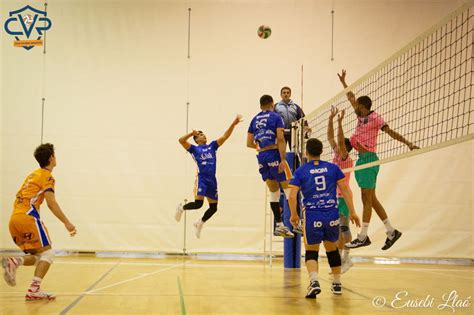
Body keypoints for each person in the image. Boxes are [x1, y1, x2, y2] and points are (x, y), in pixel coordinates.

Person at [337, 69, 419, 250]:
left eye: (357, 106)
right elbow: (351, 97)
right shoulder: (361, 115)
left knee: (366, 199)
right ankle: (391, 231)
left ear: (364, 107)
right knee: (372, 200)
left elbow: (390, 132)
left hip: (369, 160)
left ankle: (363, 236)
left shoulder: (375, 118)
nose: (355, 107)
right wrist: (344, 82)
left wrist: (408, 143)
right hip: (362, 161)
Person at [2, 143, 76, 301]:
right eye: (55, 155)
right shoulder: (47, 176)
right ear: (51, 158)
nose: (56, 158)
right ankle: (34, 289)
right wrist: (67, 223)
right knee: (48, 253)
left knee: (38, 256)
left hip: (14, 219)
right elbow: (51, 203)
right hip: (28, 217)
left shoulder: (32, 174)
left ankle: (15, 261)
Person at [288, 138, 360, 298]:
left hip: (313, 214)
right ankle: (337, 284)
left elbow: (292, 196)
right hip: (331, 213)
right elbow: (346, 190)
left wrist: (294, 215)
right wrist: (353, 212)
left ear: (306, 153)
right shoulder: (333, 168)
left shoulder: (301, 171)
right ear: (321, 152)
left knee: (311, 250)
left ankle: (314, 282)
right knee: (332, 249)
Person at [175, 115, 242, 238]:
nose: (203, 135)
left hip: (212, 180)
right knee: (198, 204)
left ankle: (199, 222)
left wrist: (234, 123)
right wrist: (191, 133)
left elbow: (225, 136)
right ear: (196, 140)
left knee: (213, 208)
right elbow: (180, 140)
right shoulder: (194, 149)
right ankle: (181, 207)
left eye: (204, 134)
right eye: (200, 135)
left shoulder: (212, 146)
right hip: (202, 179)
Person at [247, 94, 299, 238]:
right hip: (274, 154)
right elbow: (281, 139)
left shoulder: (254, 119)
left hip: (261, 157)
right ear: (272, 104)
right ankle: (295, 221)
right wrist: (282, 158)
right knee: (289, 188)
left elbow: (249, 143)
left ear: (260, 105)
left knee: (274, 192)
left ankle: (279, 225)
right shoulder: (276, 117)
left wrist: (262, 148)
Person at [327, 107, 354, 273]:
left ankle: (347, 257)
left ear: (345, 149)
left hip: (343, 196)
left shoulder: (345, 158)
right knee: (336, 229)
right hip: (335, 196)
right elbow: (331, 138)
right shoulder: (337, 154)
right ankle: (339, 260)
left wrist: (340, 122)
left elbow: (339, 140)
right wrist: (331, 118)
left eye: (341, 146)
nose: (337, 146)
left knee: (344, 227)